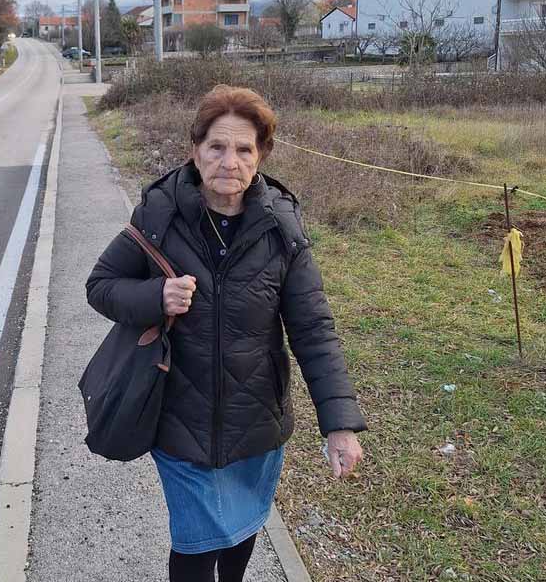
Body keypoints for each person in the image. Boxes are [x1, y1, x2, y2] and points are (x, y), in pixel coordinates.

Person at [85, 85, 367, 582]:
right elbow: (101, 285)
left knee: (240, 535)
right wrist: (156, 296)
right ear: (195, 149)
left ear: (261, 156)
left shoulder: (282, 229)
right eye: (216, 147)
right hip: (178, 419)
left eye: (243, 149)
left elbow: (313, 330)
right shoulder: (159, 214)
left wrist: (339, 424)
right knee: (195, 547)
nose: (229, 162)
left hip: (256, 420)